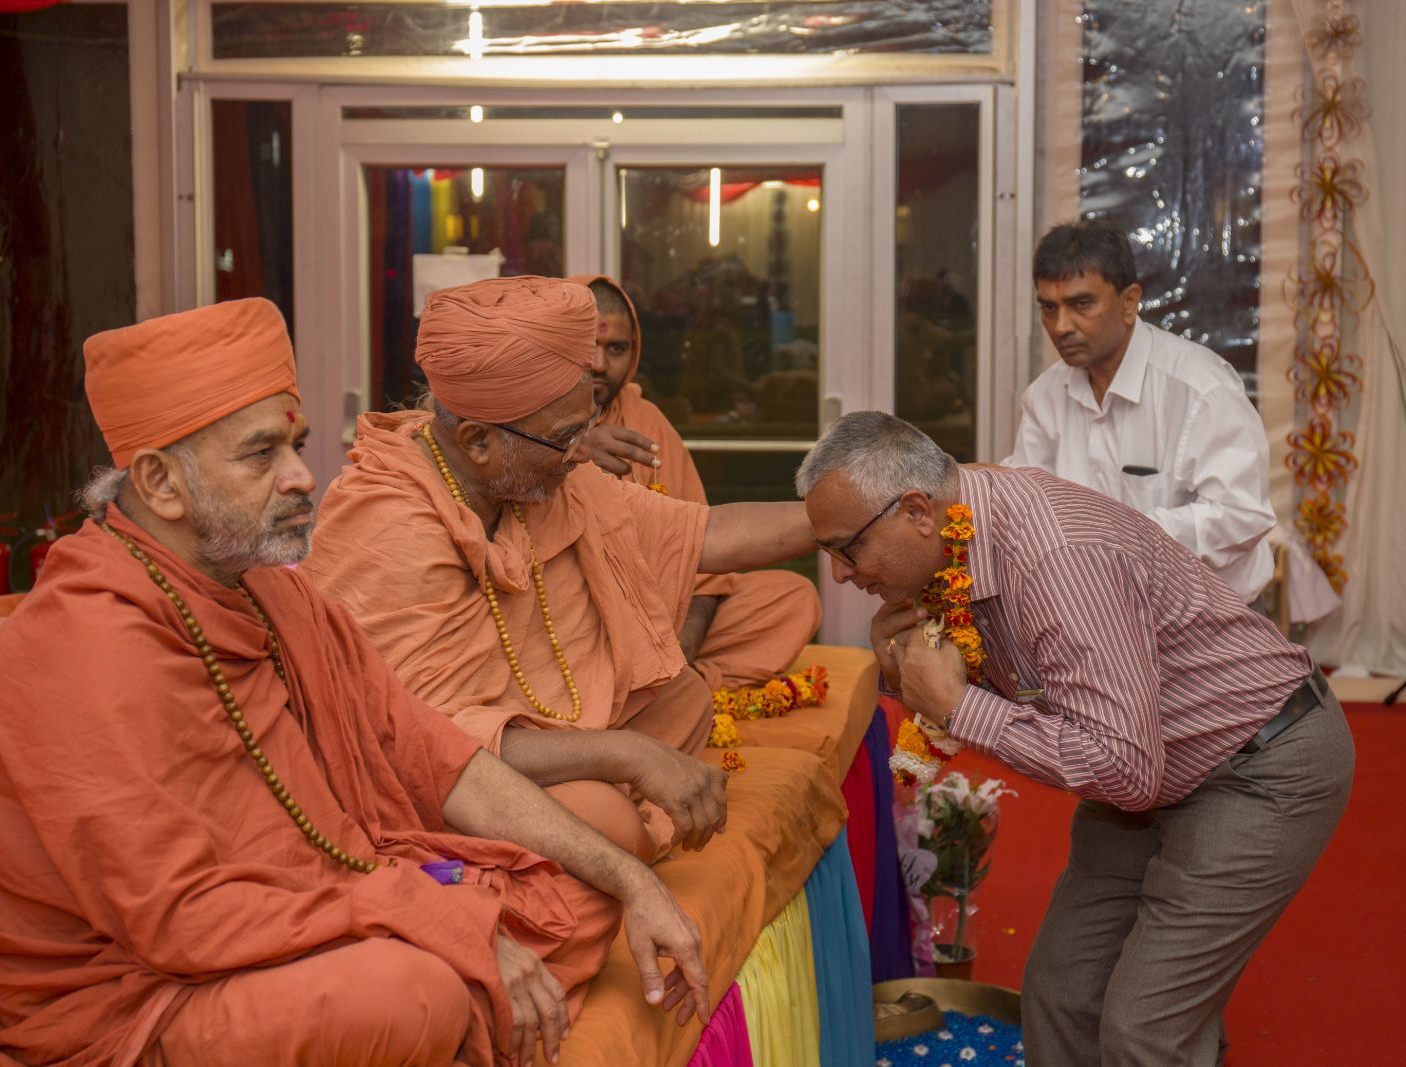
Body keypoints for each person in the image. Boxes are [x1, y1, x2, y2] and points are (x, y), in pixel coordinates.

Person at [0, 298, 710, 1067]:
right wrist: (433, 916)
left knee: (588, 865)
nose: (304, 476)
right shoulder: (83, 646)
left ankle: (468, 1016)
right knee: (410, 992)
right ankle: (464, 1015)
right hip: (154, 988)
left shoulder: (272, 590)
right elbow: (181, 918)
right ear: (162, 483)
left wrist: (632, 879)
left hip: (331, 897)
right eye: (261, 454)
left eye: (296, 444)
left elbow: (434, 755)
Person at [797, 411, 1354, 1067]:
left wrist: (957, 703)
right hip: (1148, 773)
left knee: (1145, 1029)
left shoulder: (1059, 557)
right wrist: (911, 678)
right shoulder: (953, 532)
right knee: (1061, 994)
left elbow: (1124, 767)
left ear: (917, 508)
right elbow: (1045, 692)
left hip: (1258, 763)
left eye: (846, 548)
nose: (838, 574)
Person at [303, 276, 817, 859]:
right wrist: (626, 753)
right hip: (449, 777)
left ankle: (599, 808)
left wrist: (842, 515)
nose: (581, 453)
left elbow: (702, 533)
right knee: (609, 822)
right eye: (567, 438)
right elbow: (431, 745)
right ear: (476, 441)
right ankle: (603, 821)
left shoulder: (532, 477)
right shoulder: (388, 526)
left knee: (684, 695)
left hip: (535, 741)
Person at [1004, 220, 1277, 601]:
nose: (1061, 326)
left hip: (1211, 620)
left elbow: (1241, 516)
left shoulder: (1201, 389)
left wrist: (1119, 534)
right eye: (1048, 308)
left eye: (1081, 304)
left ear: (1130, 302)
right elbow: (1026, 504)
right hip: (1102, 612)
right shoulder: (1045, 396)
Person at [573, 273, 822, 690]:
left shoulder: (647, 421)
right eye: (586, 347)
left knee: (791, 598)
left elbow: (700, 546)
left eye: (615, 349)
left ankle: (690, 684)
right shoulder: (531, 422)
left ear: (633, 354)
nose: (599, 364)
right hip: (582, 615)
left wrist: (690, 632)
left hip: (662, 610)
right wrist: (573, 449)